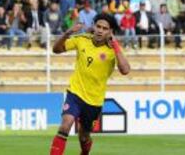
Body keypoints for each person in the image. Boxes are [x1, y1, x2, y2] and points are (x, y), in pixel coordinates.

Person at [50, 14, 130, 155]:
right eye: (98, 26)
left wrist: (116, 46)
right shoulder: (82, 39)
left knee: (84, 136)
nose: (100, 30)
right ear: (93, 26)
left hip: (94, 101)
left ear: (110, 32)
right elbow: (56, 50)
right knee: (65, 125)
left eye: (105, 28)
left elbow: (125, 70)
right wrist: (67, 33)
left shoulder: (113, 50)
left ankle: (85, 152)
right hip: (75, 93)